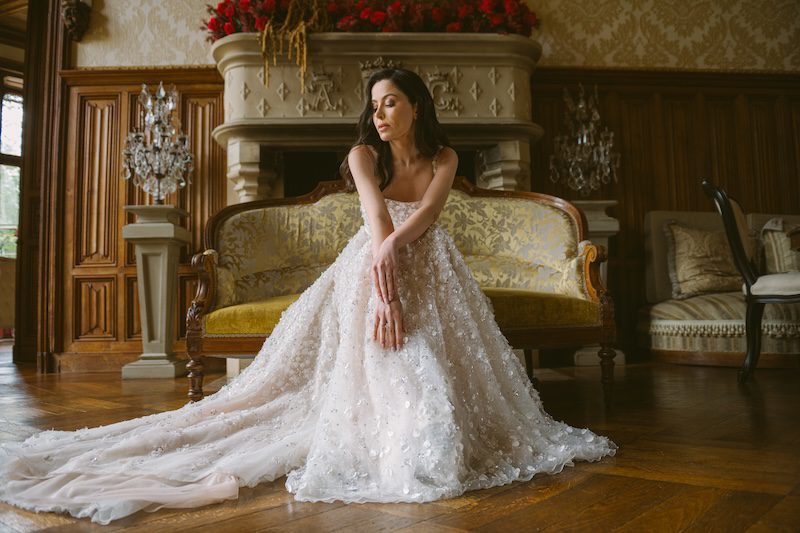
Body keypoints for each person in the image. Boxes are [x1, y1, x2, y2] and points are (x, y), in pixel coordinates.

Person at [0, 68, 616, 525]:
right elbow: (377, 221)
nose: (379, 114)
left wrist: (398, 264)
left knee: (437, 369)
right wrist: (386, 290)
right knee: (385, 355)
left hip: (430, 267)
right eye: (373, 104)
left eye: (390, 102)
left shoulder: (445, 157)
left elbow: (427, 214)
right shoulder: (361, 156)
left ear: (416, 106)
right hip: (373, 270)